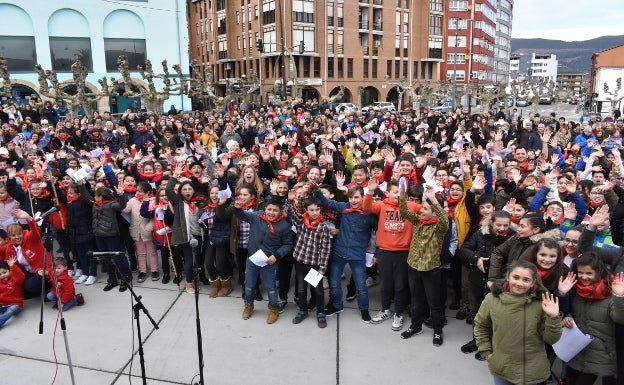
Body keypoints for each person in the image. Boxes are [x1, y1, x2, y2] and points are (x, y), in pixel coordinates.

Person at [474, 259, 562, 385]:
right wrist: (486, 352)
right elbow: (480, 325)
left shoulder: (541, 304)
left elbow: (551, 339)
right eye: (516, 277)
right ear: (507, 276)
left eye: (526, 280)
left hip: (533, 372)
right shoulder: (492, 299)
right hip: (502, 368)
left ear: (533, 283)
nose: (520, 283)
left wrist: (553, 317)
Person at [363, 179, 421, 331]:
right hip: (384, 252)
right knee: (385, 284)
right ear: (387, 193)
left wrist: (431, 198)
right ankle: (385, 310)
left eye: (401, 192)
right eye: (395, 192)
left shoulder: (411, 206)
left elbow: (427, 211)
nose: (398, 195)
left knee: (401, 285)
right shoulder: (382, 205)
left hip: (403, 252)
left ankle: (399, 313)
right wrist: (369, 191)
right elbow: (366, 206)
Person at [557, 253, 624, 385]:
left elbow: (620, 319)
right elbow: (564, 312)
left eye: (589, 273)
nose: (584, 277)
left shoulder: (610, 291)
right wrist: (563, 296)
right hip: (575, 350)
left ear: (598, 272)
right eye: (580, 273)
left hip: (599, 354)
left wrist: (619, 297)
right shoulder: (574, 289)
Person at [314, 186, 375, 323]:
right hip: (339, 251)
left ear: (363, 197)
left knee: (361, 286)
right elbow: (327, 202)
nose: (353, 200)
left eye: (356, 197)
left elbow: (378, 233)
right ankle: (336, 306)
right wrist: (317, 189)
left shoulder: (369, 213)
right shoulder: (344, 207)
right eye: (351, 197)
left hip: (357, 254)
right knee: (334, 282)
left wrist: (376, 253)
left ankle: (364, 309)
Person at [398, 185, 449, 346]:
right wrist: (401, 196)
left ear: (434, 211)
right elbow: (405, 212)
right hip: (413, 266)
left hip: (430, 270)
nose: (421, 211)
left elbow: (445, 220)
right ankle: (416, 326)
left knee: (434, 303)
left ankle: (438, 331)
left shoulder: (439, 228)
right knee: (416, 300)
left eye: (425, 209)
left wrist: (433, 199)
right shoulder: (419, 221)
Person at [233, 198, 293, 324]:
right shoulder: (256, 217)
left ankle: (273, 308)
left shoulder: (285, 226)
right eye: (269, 209)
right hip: (253, 258)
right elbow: (242, 215)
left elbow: (288, 245)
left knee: (270, 286)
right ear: (264, 209)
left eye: (275, 210)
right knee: (249, 284)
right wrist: (237, 208)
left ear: (280, 212)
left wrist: (276, 256)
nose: (271, 212)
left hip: (270, 261)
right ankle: (248, 305)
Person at [284, 195, 333, 328]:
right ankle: (303, 310)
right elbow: (291, 213)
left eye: (317, 209)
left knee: (318, 290)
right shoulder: (301, 221)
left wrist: (322, 268)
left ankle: (321, 313)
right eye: (311, 210)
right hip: (301, 262)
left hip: (315, 264)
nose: (315, 212)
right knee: (301, 289)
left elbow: (326, 249)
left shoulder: (323, 227)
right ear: (306, 210)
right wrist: (289, 201)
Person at [0, 257, 24, 328]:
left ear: (10, 271)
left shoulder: (15, 279)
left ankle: (1, 321)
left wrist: (13, 266)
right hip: (1, 304)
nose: (2, 275)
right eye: (0, 274)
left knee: (13, 309)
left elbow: (20, 276)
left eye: (4, 272)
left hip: (14, 305)